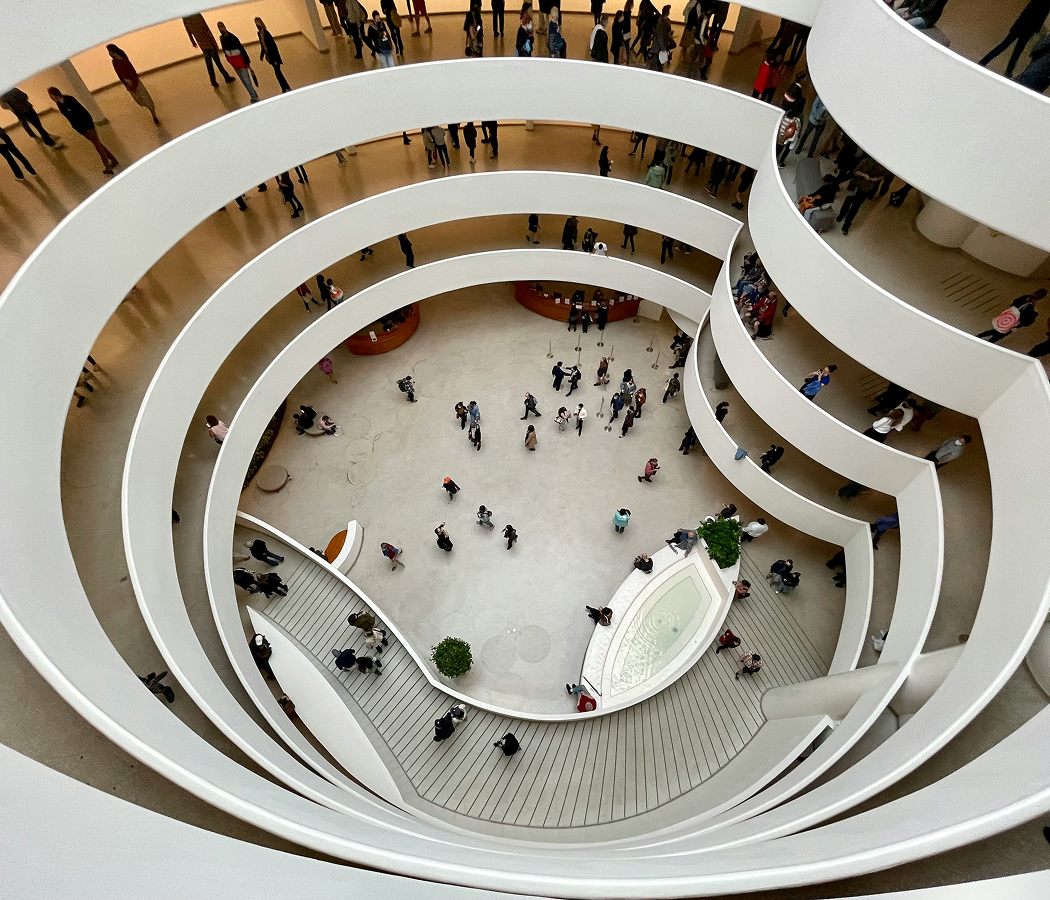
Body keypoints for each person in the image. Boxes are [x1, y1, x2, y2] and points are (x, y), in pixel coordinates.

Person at [47, 87, 119, 175]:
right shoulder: (59, 104)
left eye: (51, 96)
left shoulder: (70, 99)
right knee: (97, 143)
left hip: (87, 124)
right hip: (79, 128)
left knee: (97, 144)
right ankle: (113, 160)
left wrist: (88, 126)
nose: (51, 98)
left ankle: (107, 165)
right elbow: (70, 118)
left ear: (55, 94)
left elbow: (83, 112)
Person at [980, 0, 1050, 77]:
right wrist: (1036, 29)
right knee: (1016, 51)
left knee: (1005, 46)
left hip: (1021, 27)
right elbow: (1040, 17)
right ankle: (1008, 70)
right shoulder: (1046, 4)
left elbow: (1027, 12)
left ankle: (985, 61)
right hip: (1027, 29)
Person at [107, 45, 159, 124]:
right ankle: (151, 111)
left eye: (111, 51)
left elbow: (133, 72)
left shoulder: (123, 59)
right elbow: (119, 75)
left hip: (134, 81)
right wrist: (126, 85)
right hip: (128, 82)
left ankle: (153, 115)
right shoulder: (114, 62)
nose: (110, 53)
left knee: (146, 98)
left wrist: (134, 84)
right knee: (139, 99)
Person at [836, 157, 888, 235]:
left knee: (855, 207)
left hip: (866, 188)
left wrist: (874, 179)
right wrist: (865, 175)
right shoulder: (867, 160)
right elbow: (855, 171)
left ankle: (846, 224)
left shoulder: (884, 167)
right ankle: (841, 214)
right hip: (855, 184)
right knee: (848, 201)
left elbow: (884, 176)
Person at [183, 14, 236, 87]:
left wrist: (193, 41)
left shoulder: (185, 18)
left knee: (209, 64)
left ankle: (213, 81)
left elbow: (188, 31)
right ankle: (226, 77)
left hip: (202, 43)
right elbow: (205, 28)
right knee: (217, 62)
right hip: (208, 42)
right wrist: (214, 43)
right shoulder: (196, 14)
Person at [217, 22, 259, 103]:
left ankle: (254, 96)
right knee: (243, 80)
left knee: (246, 80)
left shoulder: (232, 37)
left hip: (240, 61)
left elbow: (241, 48)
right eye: (219, 27)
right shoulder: (222, 38)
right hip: (234, 62)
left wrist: (247, 60)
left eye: (221, 26)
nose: (220, 28)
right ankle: (253, 95)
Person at [976, 292, 1044, 342]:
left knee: (997, 330)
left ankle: (980, 336)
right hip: (1014, 322)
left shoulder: (1024, 299)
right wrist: (1035, 313)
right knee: (1001, 333)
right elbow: (1026, 319)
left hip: (1009, 317)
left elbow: (1014, 304)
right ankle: (988, 341)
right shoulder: (1030, 305)